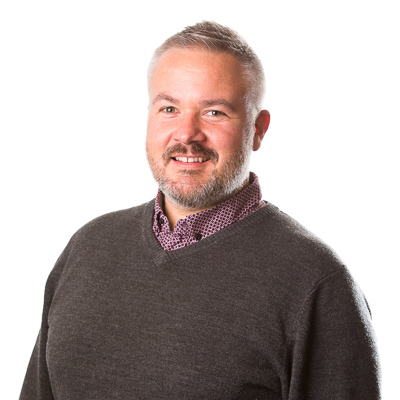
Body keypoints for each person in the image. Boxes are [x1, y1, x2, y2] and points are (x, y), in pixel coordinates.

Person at [20, 21, 381, 400]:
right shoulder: (88, 247)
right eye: (169, 108)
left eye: (214, 112)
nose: (186, 133)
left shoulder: (316, 283)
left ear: (258, 129)